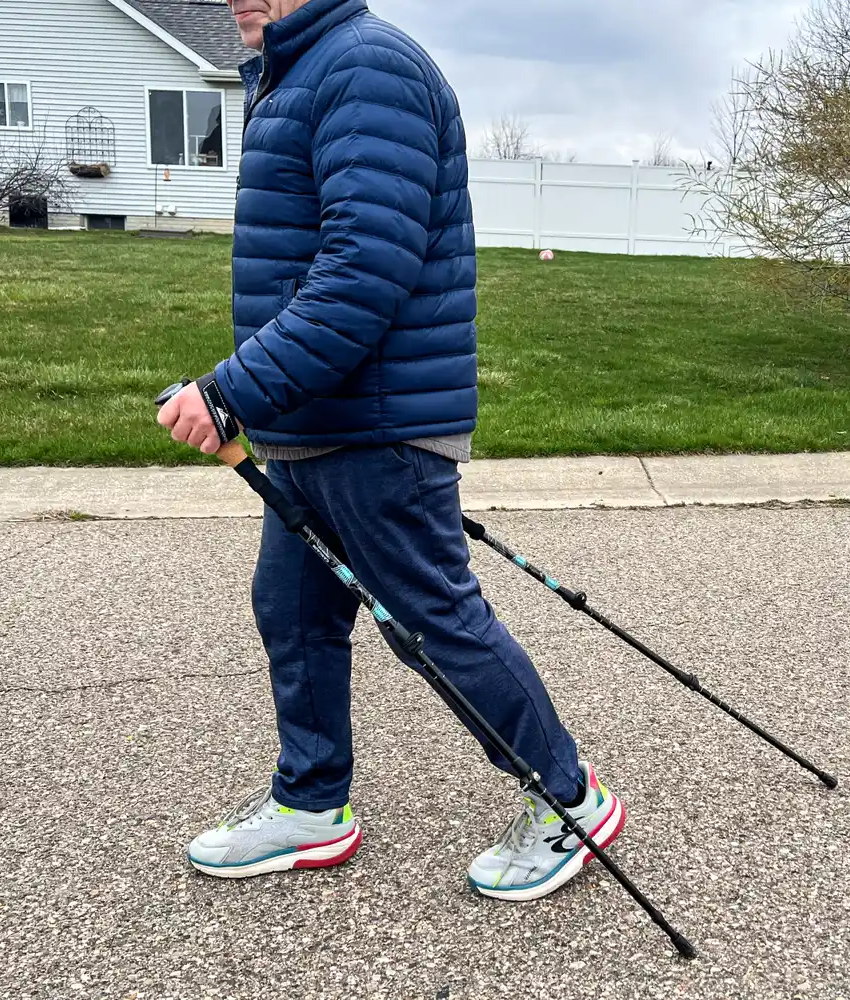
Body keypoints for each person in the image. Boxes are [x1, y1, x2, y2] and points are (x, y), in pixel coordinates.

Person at [156, 0, 624, 900]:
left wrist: (229, 393)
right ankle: (311, 803)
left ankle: (570, 800)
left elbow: (362, 275)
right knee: (292, 615)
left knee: (431, 625)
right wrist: (259, 397)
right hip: (312, 426)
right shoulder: (297, 69)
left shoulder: (365, 67)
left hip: (377, 427)